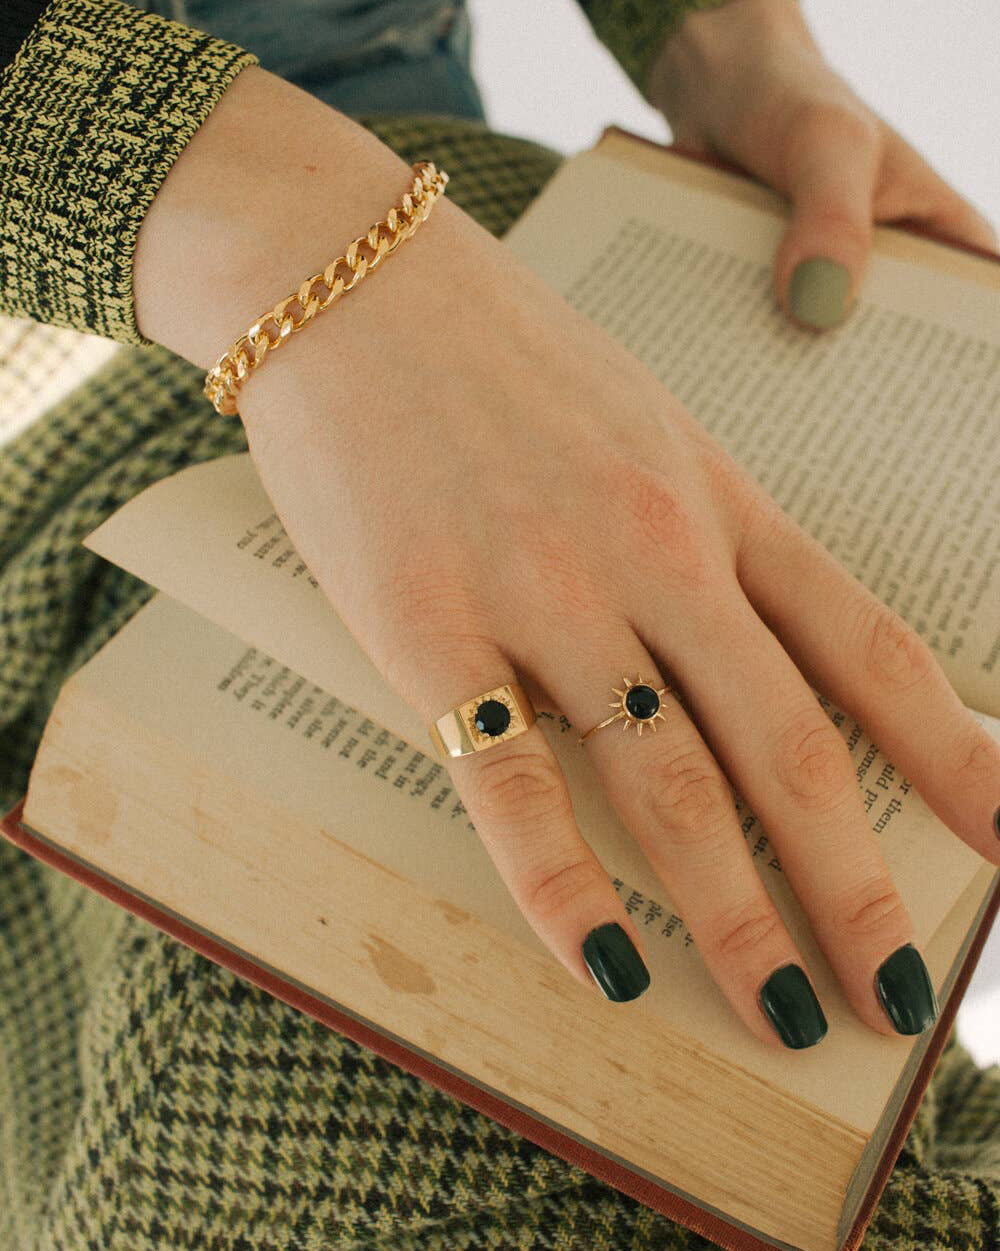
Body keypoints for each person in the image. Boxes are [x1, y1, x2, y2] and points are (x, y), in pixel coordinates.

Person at [1, 1, 998, 1247]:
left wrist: (725, 45)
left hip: (491, 260)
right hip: (159, 324)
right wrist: (292, 249)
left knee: (853, 1055)